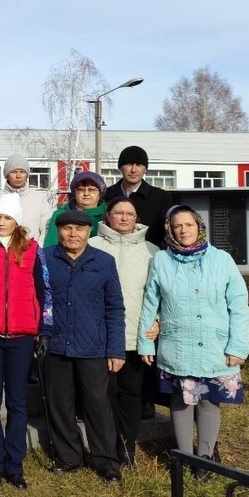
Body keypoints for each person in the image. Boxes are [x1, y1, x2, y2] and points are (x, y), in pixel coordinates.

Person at [137, 205, 249, 476]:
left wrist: (238, 345)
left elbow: (239, 304)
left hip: (214, 345)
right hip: (178, 345)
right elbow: (150, 302)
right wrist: (144, 341)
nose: (183, 230)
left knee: (209, 401)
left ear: (199, 226)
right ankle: (183, 457)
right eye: (177, 226)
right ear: (170, 230)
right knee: (181, 401)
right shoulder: (162, 260)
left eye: (188, 224)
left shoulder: (221, 259)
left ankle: (206, 459)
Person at [0, 193, 49, 490]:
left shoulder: (31, 250)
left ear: (17, 222)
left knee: (16, 402)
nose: (1, 222)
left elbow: (44, 291)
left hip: (21, 335)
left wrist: (43, 329)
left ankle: (14, 465)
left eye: (8, 218)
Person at [42, 210, 126, 483]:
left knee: (98, 405)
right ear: (60, 231)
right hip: (56, 344)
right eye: (67, 229)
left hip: (93, 347)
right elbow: (36, 299)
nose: (73, 234)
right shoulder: (44, 259)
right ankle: (69, 456)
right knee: (60, 405)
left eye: (79, 229)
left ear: (89, 232)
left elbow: (114, 308)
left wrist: (116, 349)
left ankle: (106, 460)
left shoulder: (103, 261)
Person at [89, 196, 161, 467]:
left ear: (137, 218)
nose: (123, 218)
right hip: (99, 337)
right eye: (118, 212)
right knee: (103, 394)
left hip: (135, 337)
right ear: (107, 216)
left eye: (129, 214)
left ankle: (127, 445)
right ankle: (107, 445)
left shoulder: (152, 251)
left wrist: (159, 320)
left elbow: (162, 293)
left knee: (132, 394)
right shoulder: (91, 246)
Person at [104, 146, 173, 249]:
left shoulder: (161, 198)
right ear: (120, 168)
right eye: (129, 164)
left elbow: (167, 234)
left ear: (145, 169)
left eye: (139, 165)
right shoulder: (106, 196)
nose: (133, 170)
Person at [0, 153, 55, 244]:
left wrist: (38, 248)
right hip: (3, 251)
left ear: (27, 174)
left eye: (22, 171)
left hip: (32, 251)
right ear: (7, 175)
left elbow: (47, 226)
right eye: (13, 172)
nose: (18, 176)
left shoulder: (39, 198)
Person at [43, 171, 107, 247]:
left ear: (100, 193)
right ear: (74, 193)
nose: (86, 194)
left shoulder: (109, 215)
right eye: (81, 190)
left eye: (91, 190)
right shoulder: (60, 215)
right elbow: (51, 245)